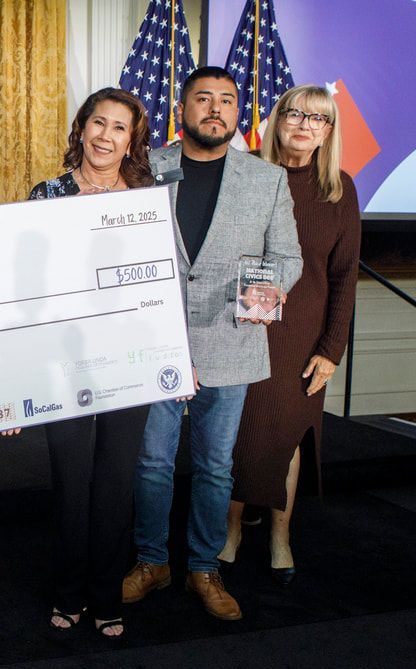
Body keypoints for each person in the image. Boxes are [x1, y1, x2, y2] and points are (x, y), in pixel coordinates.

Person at [121, 66, 302, 621]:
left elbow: (289, 256)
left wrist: (275, 286)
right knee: (151, 462)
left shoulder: (266, 179)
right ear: (183, 108)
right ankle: (152, 562)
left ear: (238, 114)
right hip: (156, 342)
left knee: (215, 467)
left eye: (227, 100)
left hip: (232, 338)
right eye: (203, 99)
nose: (215, 109)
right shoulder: (148, 169)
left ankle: (203, 567)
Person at [219, 85, 360, 586]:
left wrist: (330, 350)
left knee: (289, 435)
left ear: (328, 132)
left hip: (304, 334)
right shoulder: (245, 174)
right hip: (244, 327)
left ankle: (280, 534)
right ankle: (230, 531)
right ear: (277, 119)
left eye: (318, 118)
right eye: (295, 113)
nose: (304, 123)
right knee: (238, 433)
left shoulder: (339, 189)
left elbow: (344, 276)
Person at [27, 88, 154, 638]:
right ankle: (67, 592)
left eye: (118, 128)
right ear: (80, 129)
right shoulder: (46, 194)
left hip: (131, 358)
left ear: (132, 141)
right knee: (72, 482)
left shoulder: (149, 195)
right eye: (97, 123)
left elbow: (163, 279)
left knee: (116, 481)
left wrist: (174, 355)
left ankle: (107, 596)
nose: (105, 136)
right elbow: (28, 283)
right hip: (64, 358)